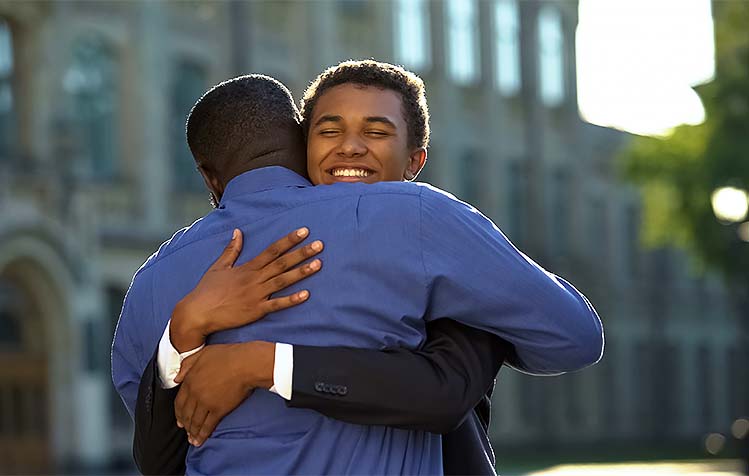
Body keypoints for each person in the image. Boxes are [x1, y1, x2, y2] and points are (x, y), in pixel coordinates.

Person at [112, 71, 603, 475]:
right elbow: (574, 337)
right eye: (330, 130)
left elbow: (161, 453)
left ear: (207, 177)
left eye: (376, 131)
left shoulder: (150, 282)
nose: (349, 149)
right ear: (300, 140)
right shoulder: (418, 218)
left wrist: (206, 343)